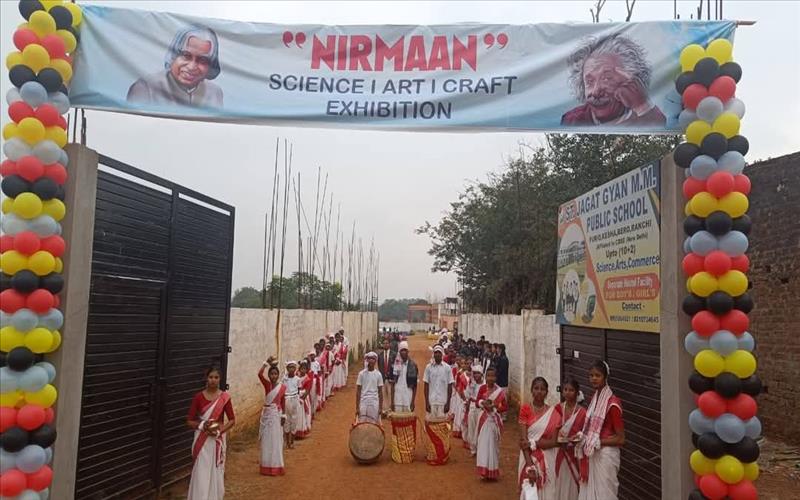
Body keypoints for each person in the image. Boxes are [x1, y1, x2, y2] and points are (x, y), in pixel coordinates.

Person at [561, 34, 665, 127]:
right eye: (589, 82)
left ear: (631, 81)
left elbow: (659, 127)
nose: (596, 92)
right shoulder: (572, 120)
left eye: (607, 79)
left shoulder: (647, 117)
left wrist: (642, 106)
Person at [127, 25, 223, 107]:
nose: (192, 67)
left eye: (202, 60)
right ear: (173, 56)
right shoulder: (146, 88)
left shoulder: (215, 93)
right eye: (186, 56)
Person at [577, 361, 624, 500]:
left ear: (605, 377)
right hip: (593, 453)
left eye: (598, 375)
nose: (594, 379)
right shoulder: (594, 398)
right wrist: (583, 437)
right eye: (591, 375)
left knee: (605, 495)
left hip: (605, 456)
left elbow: (621, 438)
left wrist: (599, 442)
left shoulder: (612, 403)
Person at [186, 366, 234, 500]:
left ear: (220, 379)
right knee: (201, 471)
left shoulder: (224, 398)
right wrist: (203, 425)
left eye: (216, 377)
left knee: (216, 470)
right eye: (211, 377)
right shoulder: (198, 397)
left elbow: (232, 420)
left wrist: (219, 431)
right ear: (206, 378)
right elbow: (189, 421)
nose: (213, 380)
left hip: (216, 440)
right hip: (202, 439)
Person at [518, 377, 562, 500]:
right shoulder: (525, 409)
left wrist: (534, 443)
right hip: (528, 457)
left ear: (547, 392)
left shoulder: (553, 413)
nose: (539, 391)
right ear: (531, 390)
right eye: (536, 388)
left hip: (547, 459)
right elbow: (523, 441)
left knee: (548, 492)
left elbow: (554, 442)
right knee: (530, 492)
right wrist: (530, 467)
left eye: (542, 389)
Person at [555, 378, 588, 500]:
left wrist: (578, 438)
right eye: (565, 389)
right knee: (560, 483)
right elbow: (553, 430)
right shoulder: (557, 409)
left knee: (574, 485)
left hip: (575, 455)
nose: (568, 393)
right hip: (560, 453)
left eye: (571, 390)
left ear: (577, 392)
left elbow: (586, 433)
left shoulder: (583, 412)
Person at [423, 345, 454, 465]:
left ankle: (443, 454)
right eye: (435, 353)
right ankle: (432, 453)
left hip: (442, 402)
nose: (437, 355)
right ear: (433, 354)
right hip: (431, 402)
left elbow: (450, 386)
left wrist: (448, 403)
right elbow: (426, 385)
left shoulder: (447, 368)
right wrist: (426, 402)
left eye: (439, 353)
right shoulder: (428, 367)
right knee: (431, 429)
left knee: (442, 429)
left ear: (442, 355)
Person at [476, 366, 508, 480]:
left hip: (493, 421)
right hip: (484, 420)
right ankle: (484, 471)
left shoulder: (500, 391)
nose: (490, 378)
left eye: (493, 376)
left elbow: (505, 407)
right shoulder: (482, 388)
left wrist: (495, 407)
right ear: (485, 377)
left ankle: (492, 471)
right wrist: (483, 403)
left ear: (496, 377)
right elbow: (477, 402)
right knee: (483, 445)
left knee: (493, 446)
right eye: (488, 376)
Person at [258, 359, 286, 476]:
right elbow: (260, 374)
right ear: (269, 375)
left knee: (275, 439)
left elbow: (283, 401)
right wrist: (266, 363)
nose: (273, 376)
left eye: (275, 374)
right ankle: (266, 465)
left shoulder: (282, 387)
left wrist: (284, 415)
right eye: (271, 374)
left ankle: (276, 465)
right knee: (266, 439)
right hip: (267, 415)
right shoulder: (267, 385)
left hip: (276, 415)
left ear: (278, 375)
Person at [356, 352, 384, 423]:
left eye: (373, 359)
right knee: (362, 423)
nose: (371, 360)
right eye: (369, 358)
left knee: (373, 424)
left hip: (374, 402)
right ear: (367, 360)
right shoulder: (361, 374)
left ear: (375, 361)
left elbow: (380, 392)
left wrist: (380, 408)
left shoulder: (378, 374)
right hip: (363, 401)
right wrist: (357, 408)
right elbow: (358, 391)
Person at [390, 341, 418, 412]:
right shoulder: (394, 366)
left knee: (408, 418)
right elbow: (392, 384)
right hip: (397, 398)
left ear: (408, 351)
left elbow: (415, 386)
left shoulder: (413, 365)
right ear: (399, 352)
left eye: (405, 350)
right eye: (402, 350)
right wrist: (392, 402)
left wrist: (412, 402)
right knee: (397, 418)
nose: (403, 352)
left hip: (408, 397)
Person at [464, 365, 486, 455]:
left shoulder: (485, 385)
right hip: (473, 406)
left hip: (481, 408)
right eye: (475, 373)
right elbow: (467, 396)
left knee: (480, 428)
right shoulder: (471, 384)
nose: (476, 375)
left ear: (481, 374)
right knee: (472, 427)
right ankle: (473, 448)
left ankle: (480, 447)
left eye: (478, 373)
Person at [282, 360, 302, 449]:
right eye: (290, 367)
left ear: (295, 369)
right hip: (286, 399)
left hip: (295, 399)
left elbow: (299, 390)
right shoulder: (284, 379)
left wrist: (298, 399)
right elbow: (282, 391)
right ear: (287, 368)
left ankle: (292, 441)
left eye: (293, 367)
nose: (291, 369)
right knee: (287, 420)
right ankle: (287, 442)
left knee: (294, 419)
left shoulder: (297, 379)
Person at [451, 356, 470, 440]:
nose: (464, 365)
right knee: (460, 412)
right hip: (460, 394)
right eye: (462, 363)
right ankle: (459, 430)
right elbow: (457, 384)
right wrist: (461, 394)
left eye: (465, 363)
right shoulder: (460, 374)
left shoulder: (470, 374)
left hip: (467, 394)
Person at [377, 337, 397, 413]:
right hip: (382, 379)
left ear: (389, 344)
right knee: (383, 394)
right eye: (384, 343)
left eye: (387, 343)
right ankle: (385, 410)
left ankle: (391, 410)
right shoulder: (380, 355)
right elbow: (379, 366)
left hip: (391, 379)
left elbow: (396, 367)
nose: (385, 344)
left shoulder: (394, 354)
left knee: (391, 394)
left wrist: (394, 378)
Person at [295, 360, 313, 438]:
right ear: (299, 369)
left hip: (304, 398)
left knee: (304, 414)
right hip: (297, 397)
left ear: (307, 370)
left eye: (304, 369)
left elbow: (308, 390)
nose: (303, 370)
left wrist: (303, 397)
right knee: (298, 414)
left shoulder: (307, 379)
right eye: (301, 369)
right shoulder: (297, 378)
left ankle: (304, 429)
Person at [495, 344, 510, 421]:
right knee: (499, 398)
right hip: (500, 381)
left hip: (502, 382)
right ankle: (501, 413)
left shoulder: (503, 359)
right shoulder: (500, 358)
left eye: (497, 348)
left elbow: (501, 371)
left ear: (500, 349)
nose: (496, 350)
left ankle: (504, 415)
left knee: (503, 399)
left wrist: (496, 376)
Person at [308, 350, 322, 414]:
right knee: (310, 395)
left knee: (314, 394)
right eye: (311, 355)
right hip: (309, 380)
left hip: (315, 380)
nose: (312, 356)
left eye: (313, 355)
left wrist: (318, 381)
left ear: (315, 355)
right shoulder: (308, 364)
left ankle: (314, 409)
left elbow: (319, 372)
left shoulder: (317, 363)